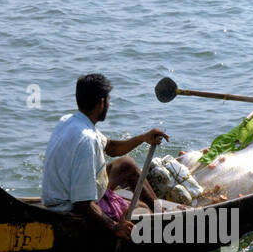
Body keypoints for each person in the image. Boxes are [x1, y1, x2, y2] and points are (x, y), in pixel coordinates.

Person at [41, 73, 170, 239]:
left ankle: (162, 213)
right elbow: (83, 204)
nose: (109, 104)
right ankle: (162, 220)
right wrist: (116, 227)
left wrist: (143, 138)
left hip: (68, 194)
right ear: (101, 103)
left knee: (127, 164)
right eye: (108, 100)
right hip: (69, 207)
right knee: (142, 209)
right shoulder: (87, 140)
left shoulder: (69, 120)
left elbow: (111, 148)